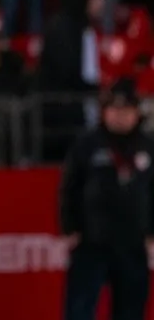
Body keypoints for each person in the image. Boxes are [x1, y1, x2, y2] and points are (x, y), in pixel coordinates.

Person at [61, 80, 154, 320]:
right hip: (92, 240)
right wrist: (70, 228)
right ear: (104, 111)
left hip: (133, 242)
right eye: (114, 109)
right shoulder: (87, 144)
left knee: (131, 308)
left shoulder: (148, 146)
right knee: (80, 308)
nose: (120, 115)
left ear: (136, 112)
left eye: (126, 110)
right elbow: (70, 187)